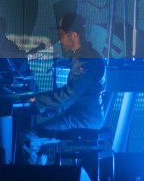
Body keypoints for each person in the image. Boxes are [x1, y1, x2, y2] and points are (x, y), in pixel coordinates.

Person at [22, 12, 106, 164]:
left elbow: (70, 95)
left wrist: (39, 99)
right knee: (37, 136)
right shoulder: (83, 55)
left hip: (84, 119)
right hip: (83, 116)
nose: (60, 40)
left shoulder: (85, 59)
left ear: (74, 35)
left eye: (62, 35)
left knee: (31, 136)